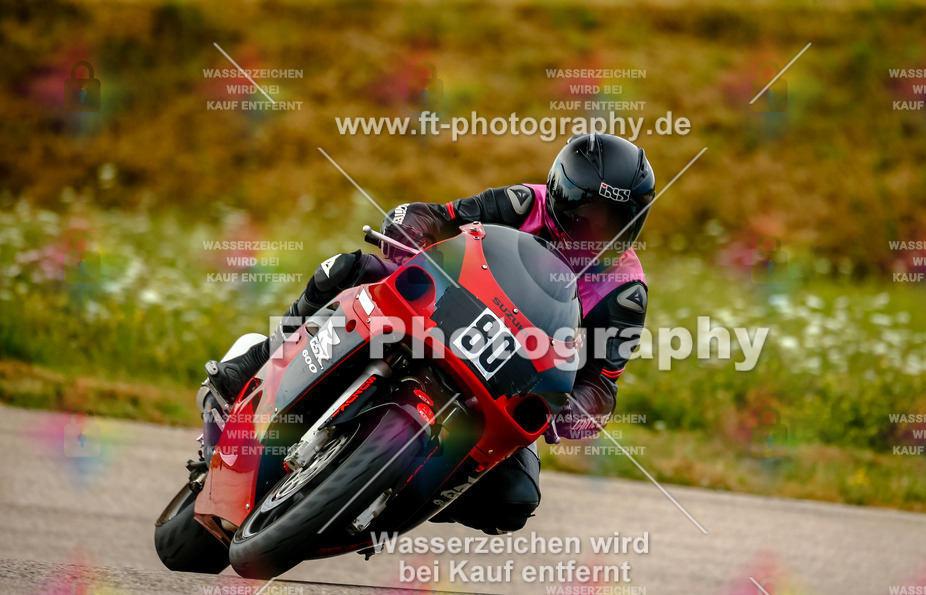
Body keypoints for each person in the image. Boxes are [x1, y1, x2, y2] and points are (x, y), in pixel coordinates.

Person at [205, 132, 655, 535]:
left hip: (506, 379)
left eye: (616, 220)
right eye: (589, 215)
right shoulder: (524, 205)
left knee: (514, 499)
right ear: (561, 196)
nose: (597, 233)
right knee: (350, 270)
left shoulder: (626, 291)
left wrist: (574, 410)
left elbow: (601, 382)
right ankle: (254, 361)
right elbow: (437, 217)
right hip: (440, 309)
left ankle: (394, 492)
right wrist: (411, 233)